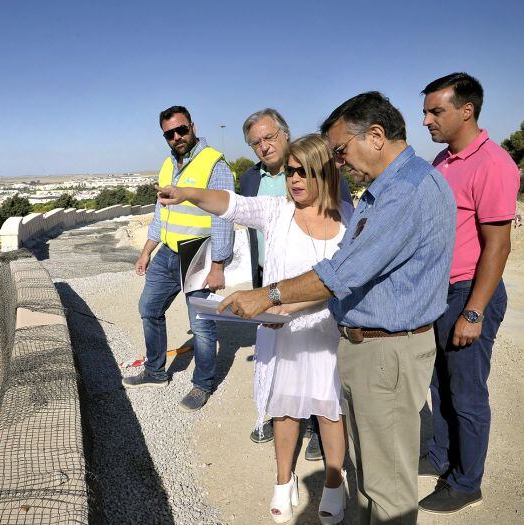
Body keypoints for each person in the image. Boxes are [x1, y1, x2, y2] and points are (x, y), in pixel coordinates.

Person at [217, 92, 456, 524]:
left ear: (377, 136)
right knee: (369, 473)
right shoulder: (401, 184)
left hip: (387, 352)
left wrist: (266, 296)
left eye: (342, 150)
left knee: (386, 486)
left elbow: (339, 274)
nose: (341, 162)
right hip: (376, 349)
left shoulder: (402, 193)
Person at [159, 134, 354, 524]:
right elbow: (231, 205)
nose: (294, 179)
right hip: (281, 330)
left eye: (304, 171)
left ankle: (336, 479)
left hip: (326, 330)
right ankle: (284, 479)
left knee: (331, 408)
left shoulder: (349, 217)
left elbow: (342, 280)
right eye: (290, 172)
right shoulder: (276, 211)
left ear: (324, 172)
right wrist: (188, 192)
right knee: (284, 408)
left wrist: (277, 300)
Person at [418, 73, 520, 514]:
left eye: (435, 111)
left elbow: (498, 244)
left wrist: (474, 312)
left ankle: (466, 481)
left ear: (467, 110)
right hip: (442, 292)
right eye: (425, 111)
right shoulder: (443, 160)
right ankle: (442, 456)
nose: (426, 120)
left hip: (469, 292)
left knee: (467, 393)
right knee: (440, 384)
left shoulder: (494, 163)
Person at [240, 109, 354, 460]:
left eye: (268, 137)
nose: (263, 146)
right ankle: (285, 423)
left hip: (316, 291)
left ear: (285, 135)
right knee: (285, 363)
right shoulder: (248, 179)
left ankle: (319, 432)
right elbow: (240, 214)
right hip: (271, 276)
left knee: (324, 374)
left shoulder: (321, 170)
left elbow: (340, 228)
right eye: (256, 142)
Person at [122, 105, 234, 412]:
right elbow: (162, 213)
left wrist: (218, 265)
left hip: (198, 251)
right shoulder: (167, 166)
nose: (177, 137)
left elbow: (224, 217)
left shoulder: (215, 164)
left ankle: (202, 385)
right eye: (169, 133)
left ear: (193, 127)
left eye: (181, 130)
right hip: (168, 252)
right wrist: (147, 251)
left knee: (200, 325)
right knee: (149, 307)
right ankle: (156, 371)